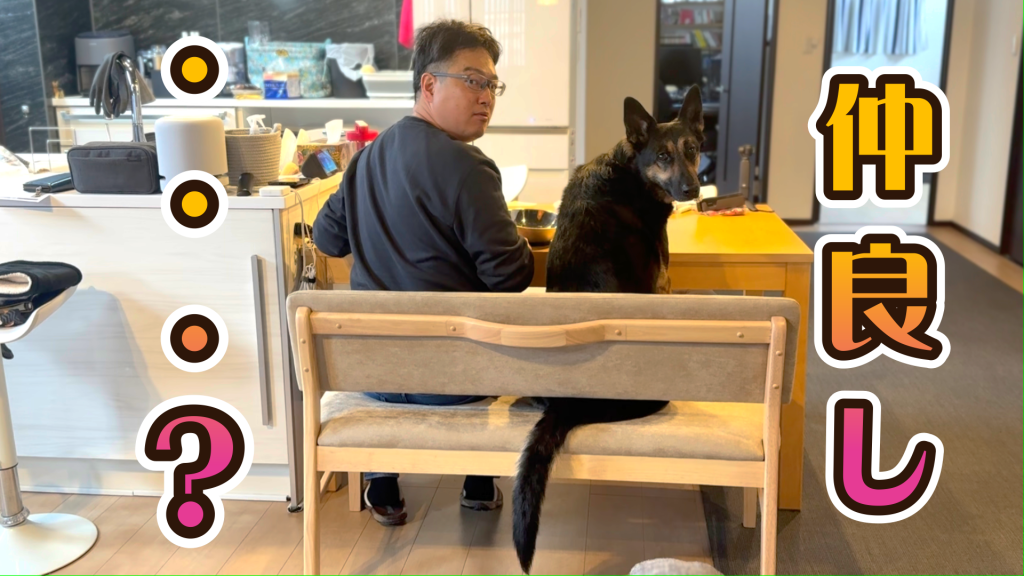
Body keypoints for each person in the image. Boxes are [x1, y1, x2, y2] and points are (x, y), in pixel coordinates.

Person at [312, 19, 534, 527]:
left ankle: (382, 483)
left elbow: (327, 240)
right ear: (429, 85)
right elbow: (509, 277)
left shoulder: (366, 158)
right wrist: (519, 240)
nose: (486, 96)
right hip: (451, 381)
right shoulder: (469, 167)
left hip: (373, 374)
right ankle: (478, 481)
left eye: (492, 85)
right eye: (473, 80)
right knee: (496, 328)